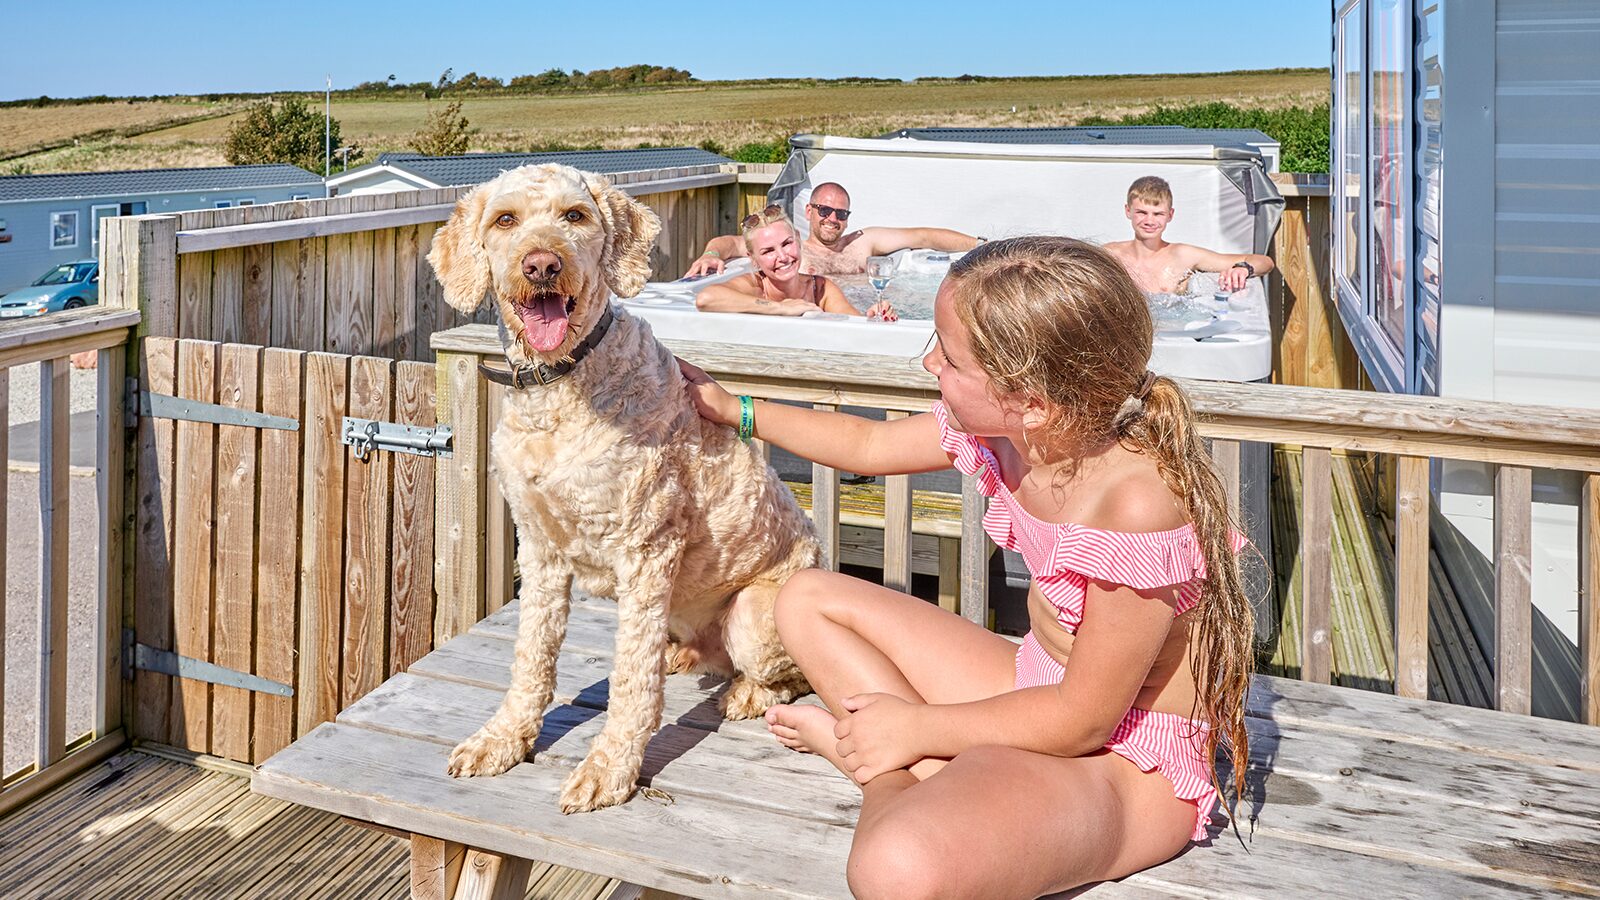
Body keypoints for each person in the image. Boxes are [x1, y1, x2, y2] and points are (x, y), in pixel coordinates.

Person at [677, 236, 1254, 899]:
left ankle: (879, 766)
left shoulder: (1136, 503)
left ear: (1033, 402)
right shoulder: (1014, 432)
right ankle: (911, 761)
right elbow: (867, 442)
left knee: (893, 872)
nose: (928, 362)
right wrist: (735, 411)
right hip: (1038, 687)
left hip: (1125, 761)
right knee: (805, 599)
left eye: (948, 358)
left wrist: (911, 729)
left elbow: (1085, 719)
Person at [683, 182, 983, 277]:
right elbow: (733, 243)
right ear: (809, 211)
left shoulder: (863, 242)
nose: (832, 218)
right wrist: (711, 253)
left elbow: (924, 236)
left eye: (841, 213)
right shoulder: (790, 246)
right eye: (824, 210)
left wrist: (981, 244)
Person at [695, 205, 897, 319]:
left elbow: (853, 323)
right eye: (768, 251)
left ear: (798, 240)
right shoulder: (753, 285)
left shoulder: (820, 288)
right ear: (753, 260)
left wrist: (873, 317)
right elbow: (705, 298)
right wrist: (780, 308)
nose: (783, 257)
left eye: (787, 243)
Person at [1103, 175, 1275, 294]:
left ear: (1170, 215)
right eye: (1141, 212)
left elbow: (1265, 262)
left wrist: (1243, 268)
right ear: (1128, 211)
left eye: (1158, 214)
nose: (1149, 221)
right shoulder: (1111, 255)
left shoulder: (1183, 255)